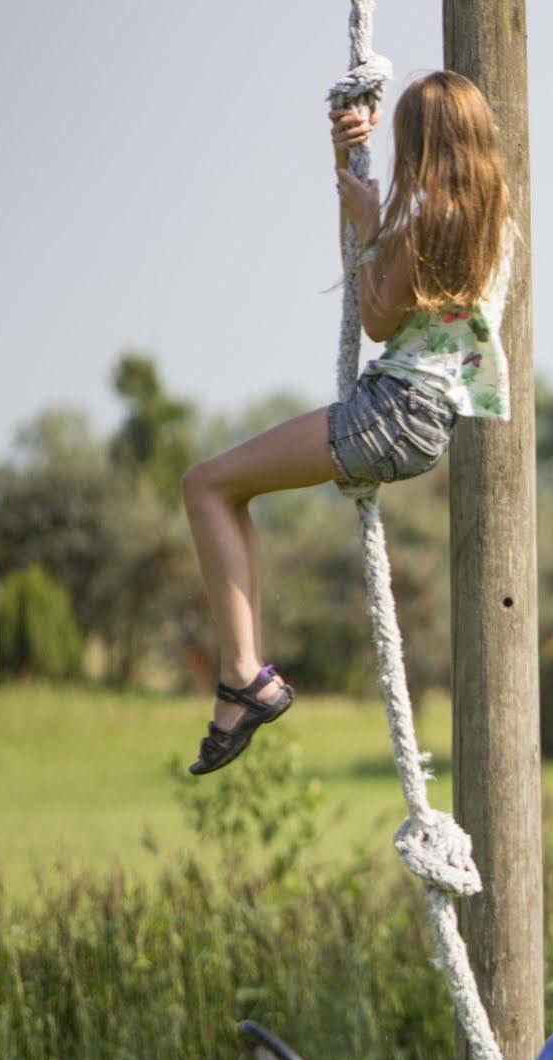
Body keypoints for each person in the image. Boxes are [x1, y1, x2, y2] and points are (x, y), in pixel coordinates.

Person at [179, 71, 513, 775]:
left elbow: (375, 317)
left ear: (422, 144)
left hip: (395, 410)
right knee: (223, 489)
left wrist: (370, 222)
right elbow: (372, 273)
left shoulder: (431, 221)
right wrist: (346, 169)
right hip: (417, 416)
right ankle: (244, 676)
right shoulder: (492, 217)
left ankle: (243, 675)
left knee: (206, 485)